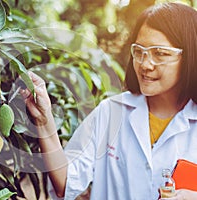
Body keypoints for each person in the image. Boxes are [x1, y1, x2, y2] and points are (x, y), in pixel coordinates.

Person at [20, 2, 197, 200]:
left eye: (160, 53)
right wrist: (44, 122)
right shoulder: (111, 113)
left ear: (190, 56)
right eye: (139, 51)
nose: (145, 64)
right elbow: (66, 182)